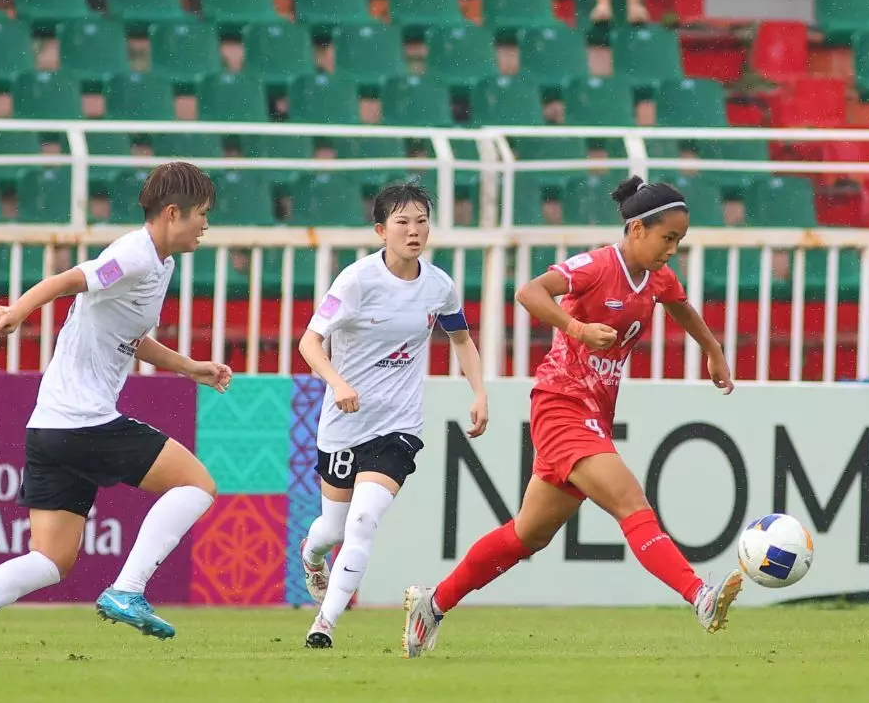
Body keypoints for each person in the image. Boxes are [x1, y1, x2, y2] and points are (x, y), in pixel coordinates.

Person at [402, 176, 740, 658]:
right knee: (629, 500)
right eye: (669, 238)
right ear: (637, 230)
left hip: (593, 414)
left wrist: (712, 349)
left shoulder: (657, 275)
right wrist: (577, 326)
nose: (673, 250)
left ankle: (432, 605)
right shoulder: (599, 265)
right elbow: (530, 291)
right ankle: (699, 596)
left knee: (527, 534)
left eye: (680, 241)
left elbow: (681, 307)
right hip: (560, 404)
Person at [0, 162, 232, 661]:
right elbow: (68, 280)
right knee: (197, 485)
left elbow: (130, 338)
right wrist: (15, 312)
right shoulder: (134, 254)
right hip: (83, 422)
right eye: (201, 214)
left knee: (51, 559)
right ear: (173, 212)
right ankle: (127, 589)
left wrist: (190, 368)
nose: (206, 225)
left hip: (49, 427)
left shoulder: (161, 263)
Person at [297, 182, 488, 649]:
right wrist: (338, 383)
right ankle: (312, 554)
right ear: (381, 230)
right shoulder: (356, 281)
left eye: (422, 220)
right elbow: (308, 342)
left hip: (398, 427)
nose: (414, 230)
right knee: (331, 529)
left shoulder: (439, 285)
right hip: (344, 425)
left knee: (363, 522)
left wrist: (479, 393)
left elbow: (461, 339)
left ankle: (324, 623)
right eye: (403, 222)